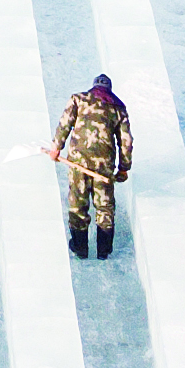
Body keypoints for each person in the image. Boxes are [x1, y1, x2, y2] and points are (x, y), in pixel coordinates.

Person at [47, 73, 132, 260]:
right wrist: (123, 168)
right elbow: (125, 141)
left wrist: (56, 147)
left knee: (78, 204)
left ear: (93, 86)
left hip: (78, 162)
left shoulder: (78, 99)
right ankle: (103, 251)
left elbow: (65, 124)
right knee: (104, 207)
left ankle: (80, 248)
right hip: (104, 167)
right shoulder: (118, 108)